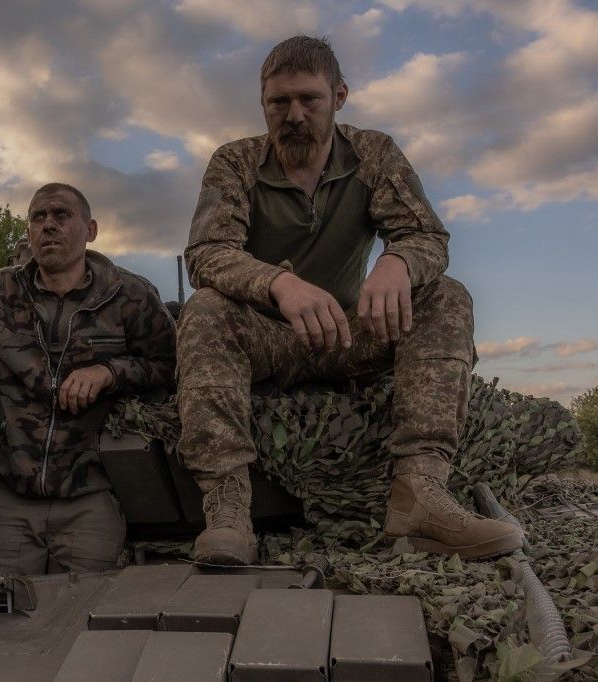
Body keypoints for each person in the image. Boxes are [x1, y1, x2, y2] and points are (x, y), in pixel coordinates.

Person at [178, 36, 523, 565]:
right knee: (203, 309)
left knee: (446, 297)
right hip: (266, 339)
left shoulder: (372, 154)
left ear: (339, 96)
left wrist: (396, 264)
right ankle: (228, 509)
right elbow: (207, 252)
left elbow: (427, 236)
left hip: (349, 335)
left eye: (309, 100)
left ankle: (420, 494)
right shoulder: (237, 162)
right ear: (263, 103)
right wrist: (280, 284)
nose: (294, 115)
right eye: (279, 102)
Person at [0, 183, 176, 575]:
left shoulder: (130, 295)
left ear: (90, 230)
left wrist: (108, 372)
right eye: (38, 218)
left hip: (89, 495)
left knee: (85, 617)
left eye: (61, 215)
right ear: (28, 234)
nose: (49, 226)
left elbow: (168, 363)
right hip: (13, 498)